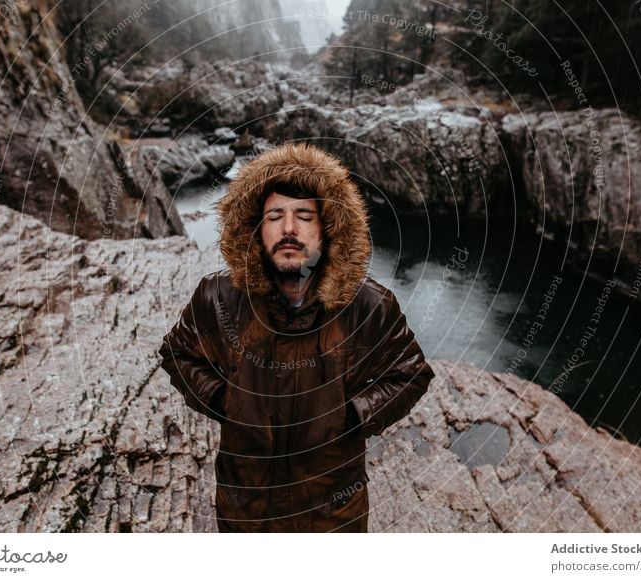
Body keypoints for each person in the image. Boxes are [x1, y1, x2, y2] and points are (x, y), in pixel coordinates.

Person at [159, 142, 435, 532]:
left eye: (304, 215)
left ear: (328, 226)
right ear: (255, 227)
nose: (289, 229)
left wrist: (355, 415)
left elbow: (411, 374)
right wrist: (222, 399)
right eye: (275, 216)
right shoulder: (217, 297)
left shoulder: (369, 305)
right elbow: (178, 353)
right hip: (246, 506)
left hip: (333, 512)